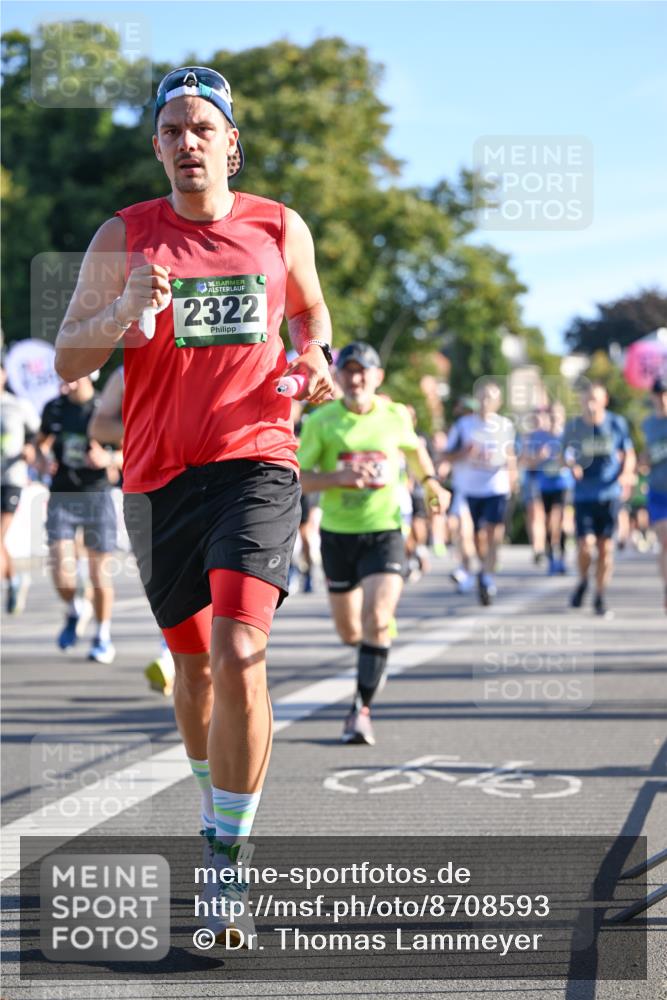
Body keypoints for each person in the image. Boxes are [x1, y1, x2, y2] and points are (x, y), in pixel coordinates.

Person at [54, 65, 334, 941]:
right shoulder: (125, 233)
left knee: (240, 647)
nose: (186, 143)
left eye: (201, 128)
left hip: (257, 459)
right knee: (195, 669)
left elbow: (312, 314)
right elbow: (68, 361)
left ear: (231, 142)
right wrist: (123, 312)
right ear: (157, 147)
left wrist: (314, 359)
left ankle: (227, 867)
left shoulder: (278, 226)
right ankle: (213, 806)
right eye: (171, 130)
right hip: (157, 476)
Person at [298, 342, 449, 746]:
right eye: (347, 371)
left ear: (377, 377)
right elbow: (298, 476)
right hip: (338, 535)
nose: (355, 378)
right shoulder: (322, 421)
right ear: (338, 377)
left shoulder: (395, 416)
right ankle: (373, 634)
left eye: (363, 371)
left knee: (377, 620)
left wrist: (432, 482)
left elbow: (415, 452)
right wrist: (338, 479)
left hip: (384, 531)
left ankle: (360, 711)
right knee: (351, 633)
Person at [88, 365, 176, 695]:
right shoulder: (128, 370)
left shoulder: (215, 343)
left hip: (216, 483)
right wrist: (150, 429)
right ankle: (172, 654)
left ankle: (186, 658)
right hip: (150, 489)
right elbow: (98, 425)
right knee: (164, 580)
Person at [36, 376, 119, 661]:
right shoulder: (53, 408)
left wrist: (109, 460)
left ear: (89, 376)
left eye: (73, 379)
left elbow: (131, 446)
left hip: (97, 495)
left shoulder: (104, 407)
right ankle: (75, 609)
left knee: (99, 574)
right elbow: (40, 442)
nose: (66, 384)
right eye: (63, 379)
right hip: (61, 495)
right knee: (61, 571)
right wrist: (42, 460)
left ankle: (103, 636)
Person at [563, 382, 636, 616]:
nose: (591, 404)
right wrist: (571, 464)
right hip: (584, 494)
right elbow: (563, 455)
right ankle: (584, 580)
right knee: (586, 546)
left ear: (605, 400)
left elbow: (629, 453)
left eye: (596, 399)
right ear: (583, 401)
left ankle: (600, 594)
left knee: (606, 548)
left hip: (609, 493)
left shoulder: (616, 424)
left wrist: (625, 473)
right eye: (588, 399)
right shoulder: (574, 426)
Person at [443, 380, 517, 606]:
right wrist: (464, 453)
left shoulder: (504, 425)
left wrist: (513, 482)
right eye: (482, 397)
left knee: (493, 536)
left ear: (498, 402)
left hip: (495, 488)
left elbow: (511, 456)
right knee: (470, 535)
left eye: (490, 398)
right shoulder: (463, 425)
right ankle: (473, 568)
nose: (485, 402)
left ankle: (486, 577)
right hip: (468, 489)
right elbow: (445, 456)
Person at [1, 362, 40, 614]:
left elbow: (40, 435)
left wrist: (31, 449)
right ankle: (14, 579)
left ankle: (14, 580)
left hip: (11, 479)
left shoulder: (17, 405)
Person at [536, 402, 573, 574]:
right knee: (549, 522)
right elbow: (529, 462)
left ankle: (562, 558)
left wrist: (563, 460)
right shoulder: (540, 437)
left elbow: (574, 461)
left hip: (563, 484)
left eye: (557, 416)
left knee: (560, 519)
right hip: (545, 485)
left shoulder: (568, 436)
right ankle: (551, 556)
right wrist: (539, 456)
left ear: (562, 418)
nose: (554, 419)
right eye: (551, 416)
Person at [642, 377, 667, 611]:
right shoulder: (648, 424)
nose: (663, 399)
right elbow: (646, 454)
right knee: (665, 540)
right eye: (659, 394)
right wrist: (642, 461)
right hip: (658, 490)